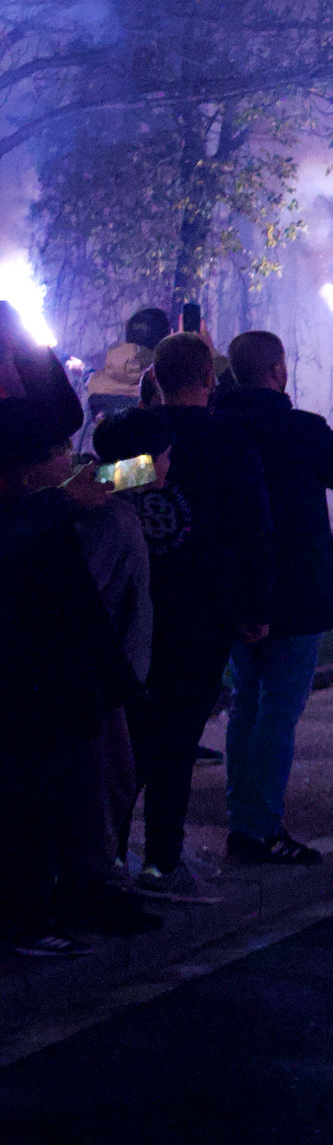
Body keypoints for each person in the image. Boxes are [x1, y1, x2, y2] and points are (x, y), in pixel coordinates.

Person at [90, 330, 274, 903]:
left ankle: (111, 853)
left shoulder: (142, 436)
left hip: (135, 607)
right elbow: (253, 527)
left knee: (133, 736)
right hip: (203, 608)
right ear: (209, 380)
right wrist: (255, 605)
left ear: (156, 380)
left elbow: (97, 487)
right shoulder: (229, 439)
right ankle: (162, 859)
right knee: (178, 738)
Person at [210, 330, 333, 865]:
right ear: (279, 371)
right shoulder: (298, 429)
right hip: (294, 588)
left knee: (246, 705)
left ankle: (245, 822)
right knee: (278, 711)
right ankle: (261, 829)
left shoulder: (217, 428)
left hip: (232, 589)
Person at [1, 395, 151, 956]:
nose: (72, 456)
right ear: (26, 466)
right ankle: (31, 916)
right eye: (60, 450)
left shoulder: (53, 501)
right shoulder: (33, 513)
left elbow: (135, 472)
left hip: (68, 677)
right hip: (33, 681)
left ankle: (61, 897)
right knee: (33, 800)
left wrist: (132, 469)